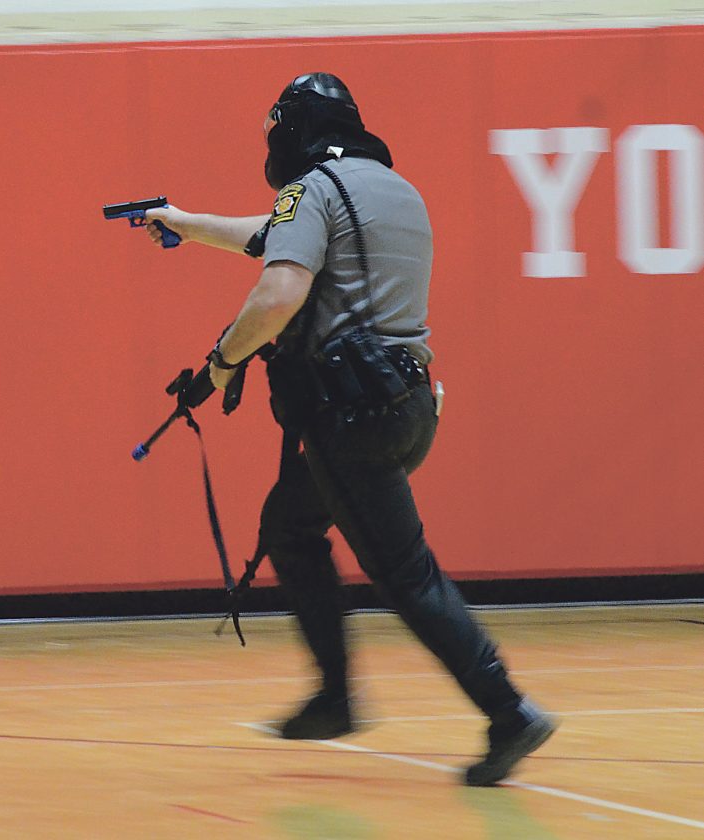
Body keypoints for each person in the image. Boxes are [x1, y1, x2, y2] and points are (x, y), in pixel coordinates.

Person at [142, 72, 556, 786]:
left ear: (294, 130)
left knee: (405, 573)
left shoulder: (311, 189)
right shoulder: (391, 190)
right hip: (408, 407)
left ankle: (508, 710)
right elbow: (268, 237)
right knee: (289, 524)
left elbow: (278, 291)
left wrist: (220, 363)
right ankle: (334, 697)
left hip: (349, 417)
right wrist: (185, 221)